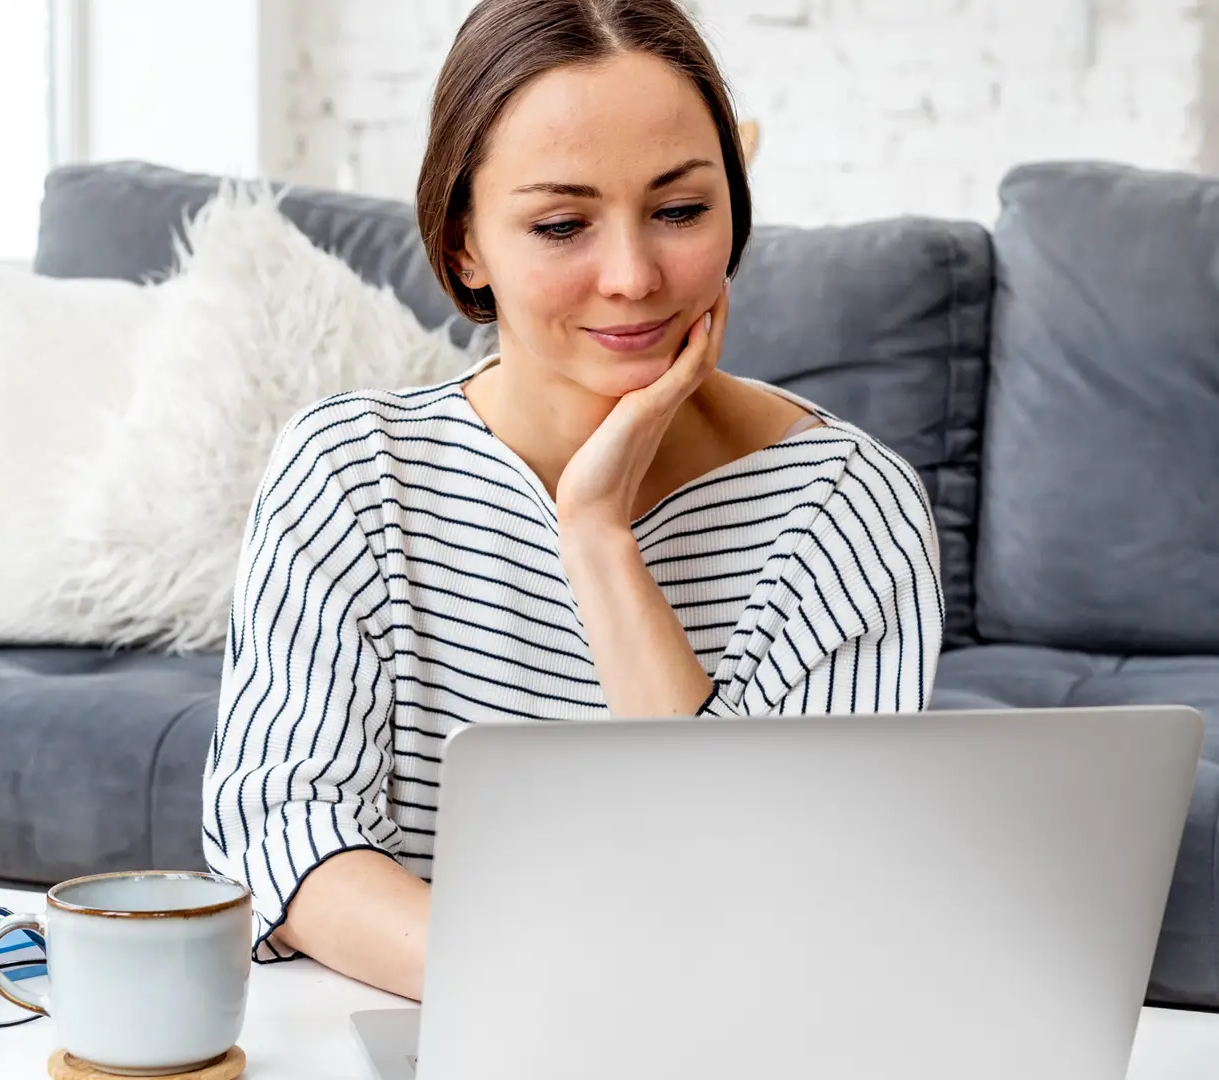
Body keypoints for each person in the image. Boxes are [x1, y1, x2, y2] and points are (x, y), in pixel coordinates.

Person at [202, 0, 943, 1002]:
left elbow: (778, 902)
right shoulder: (351, 471)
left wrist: (599, 538)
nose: (634, 277)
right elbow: (278, 829)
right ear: (465, 246)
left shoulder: (848, 514)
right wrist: (549, 992)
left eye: (680, 211)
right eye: (562, 224)